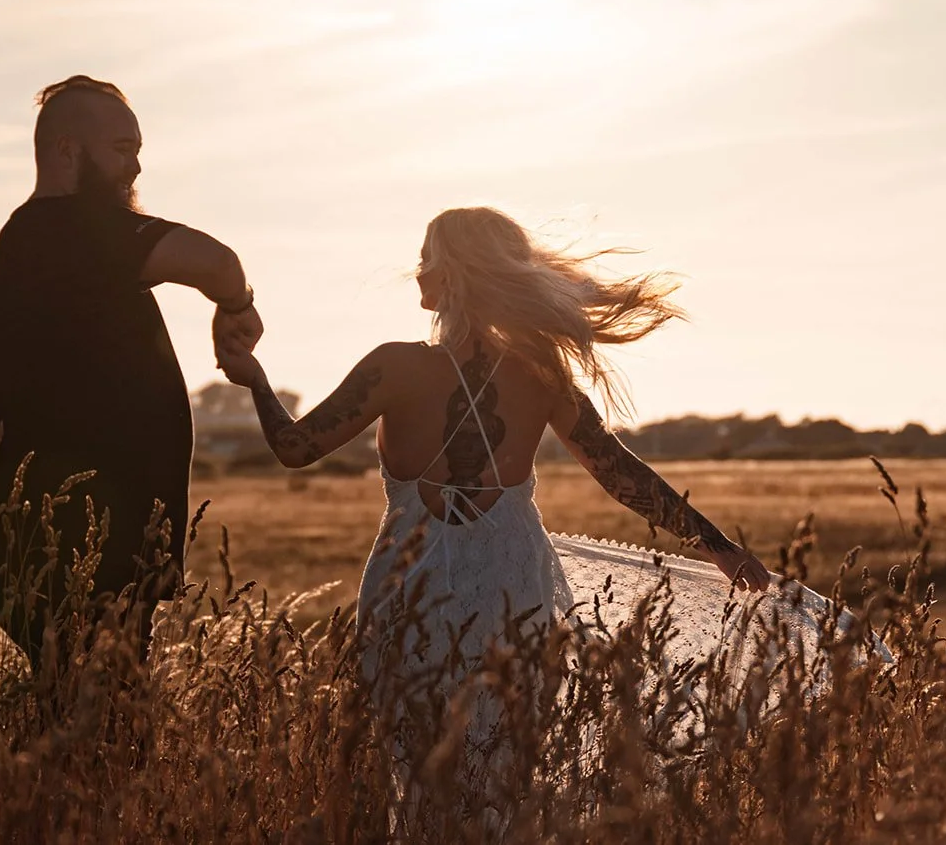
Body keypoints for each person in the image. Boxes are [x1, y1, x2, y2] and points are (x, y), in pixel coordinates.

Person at [213, 205, 772, 816]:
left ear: (452, 274)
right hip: (514, 581)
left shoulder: (394, 366)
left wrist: (255, 380)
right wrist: (718, 546)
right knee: (507, 762)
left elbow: (294, 449)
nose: (417, 272)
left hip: (411, 586)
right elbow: (618, 472)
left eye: (426, 258)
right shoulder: (540, 373)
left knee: (418, 761)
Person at [0, 75, 262, 670]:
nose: (135, 167)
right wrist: (237, 307)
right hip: (77, 545)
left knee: (90, 716)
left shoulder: (39, 237)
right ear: (68, 151)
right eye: (123, 149)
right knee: (102, 720)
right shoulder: (69, 228)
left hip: (67, 542)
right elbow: (217, 262)